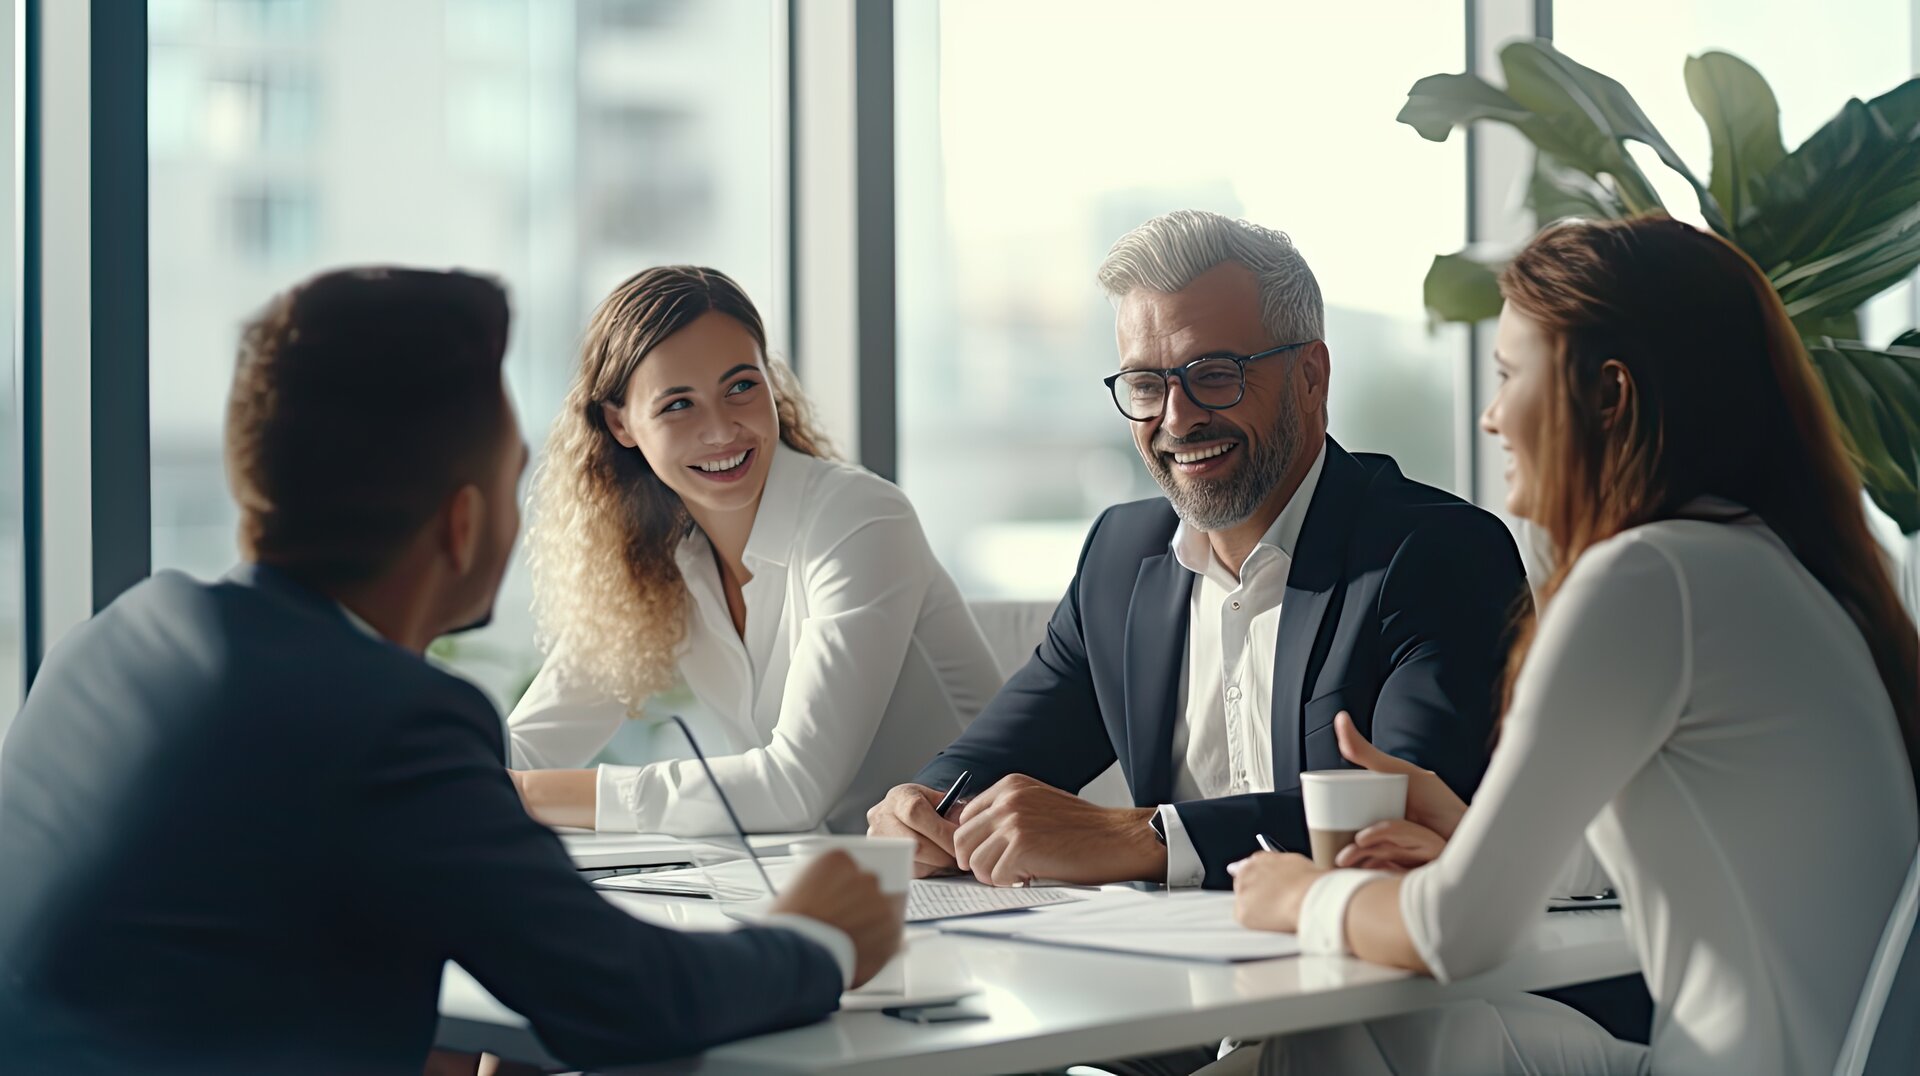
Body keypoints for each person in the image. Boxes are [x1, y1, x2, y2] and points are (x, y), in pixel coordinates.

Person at [0, 269, 901, 1076]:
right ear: (464, 525)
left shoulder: (113, 639)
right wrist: (816, 938)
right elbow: (628, 997)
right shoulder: (390, 724)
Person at [1221, 216, 1920, 1075]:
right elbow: (1696, 845)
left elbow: (1457, 933)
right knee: (1399, 1033)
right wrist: (1463, 825)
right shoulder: (1769, 564)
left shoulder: (1644, 576)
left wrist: (1304, 895)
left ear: (1608, 395)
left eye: (1510, 375)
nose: (1489, 417)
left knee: (1335, 1029)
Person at [868, 209, 1530, 891]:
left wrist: (1134, 835)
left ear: (1310, 377)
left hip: (1375, 974)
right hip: (1170, 974)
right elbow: (990, 763)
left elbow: (1412, 820)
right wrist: (923, 809)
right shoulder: (1120, 561)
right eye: (1147, 386)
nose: (1177, 419)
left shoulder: (1434, 554)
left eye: (1215, 374)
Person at [506, 266, 1002, 836]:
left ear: (771, 383)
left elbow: (794, 787)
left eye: (741, 386)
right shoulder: (660, 559)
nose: (721, 431)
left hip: (983, 880)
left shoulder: (859, 518)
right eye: (678, 405)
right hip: (834, 875)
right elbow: (527, 747)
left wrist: (527, 794)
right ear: (621, 424)